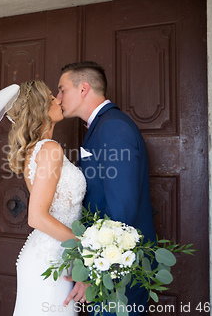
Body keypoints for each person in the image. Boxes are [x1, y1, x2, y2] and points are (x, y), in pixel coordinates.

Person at [56, 62, 156, 315]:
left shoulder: (112, 127)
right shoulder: (102, 126)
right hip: (111, 264)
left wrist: (95, 268)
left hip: (119, 266)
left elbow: (122, 206)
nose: (58, 98)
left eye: (61, 90)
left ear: (83, 88)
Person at [7, 80, 87, 315]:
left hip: (52, 255)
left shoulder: (35, 149)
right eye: (53, 98)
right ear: (39, 108)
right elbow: (37, 217)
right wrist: (85, 247)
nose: (59, 100)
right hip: (50, 262)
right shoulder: (50, 149)